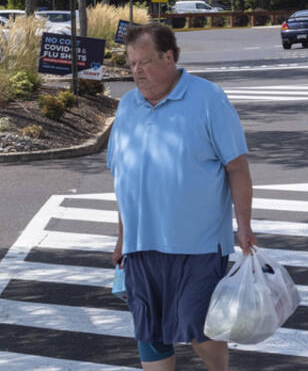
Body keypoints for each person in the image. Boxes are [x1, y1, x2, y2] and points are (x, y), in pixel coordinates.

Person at [109, 23, 256, 370]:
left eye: (144, 62)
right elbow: (124, 179)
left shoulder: (208, 98)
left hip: (199, 246)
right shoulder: (127, 107)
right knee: (150, 333)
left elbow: (237, 166)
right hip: (141, 247)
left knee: (200, 328)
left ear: (169, 57)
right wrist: (121, 238)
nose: (136, 71)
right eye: (131, 64)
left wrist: (244, 226)